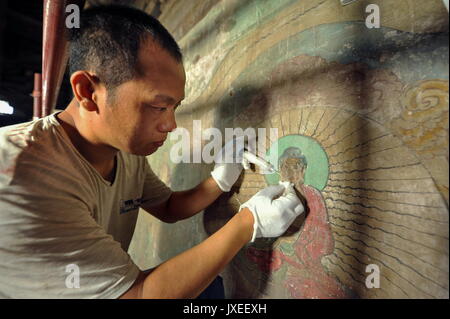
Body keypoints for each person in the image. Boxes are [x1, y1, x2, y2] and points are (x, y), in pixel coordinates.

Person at [0, 5, 304, 299]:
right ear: (88, 92)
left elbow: (168, 207)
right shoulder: (18, 174)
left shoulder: (123, 148)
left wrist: (221, 178)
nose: (170, 125)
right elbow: (139, 294)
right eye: (159, 106)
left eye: (175, 107)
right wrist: (249, 222)